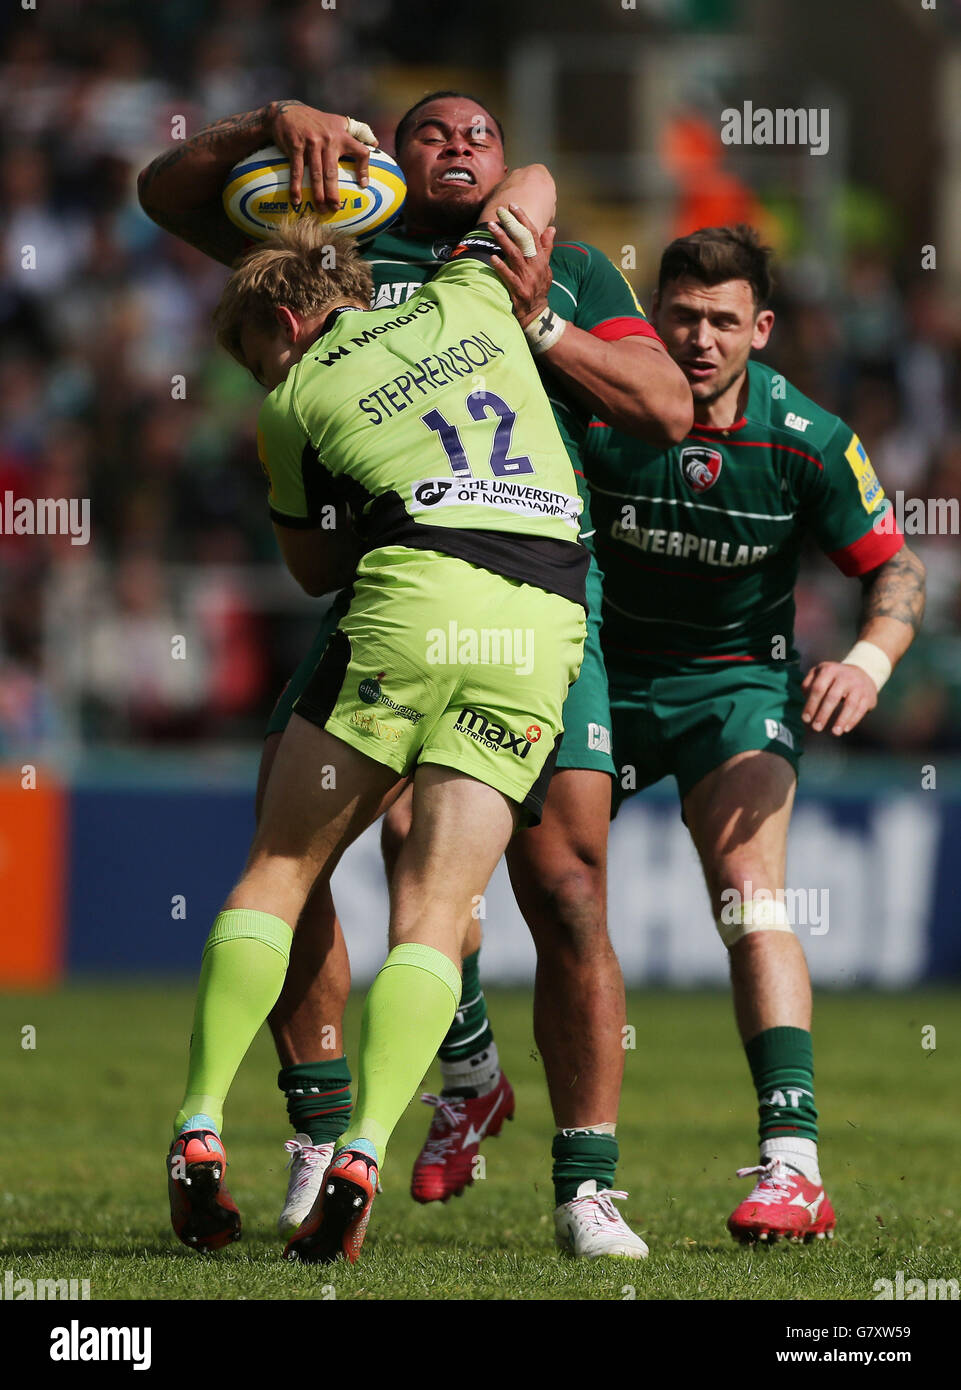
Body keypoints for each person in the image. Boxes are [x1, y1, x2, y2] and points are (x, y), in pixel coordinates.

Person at [138, 91, 691, 1259]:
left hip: (414, 590)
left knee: (324, 864)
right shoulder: (430, 266)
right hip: (536, 602)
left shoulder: (335, 360)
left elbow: (661, 407)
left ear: (276, 334)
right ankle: (347, 1143)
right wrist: (271, 122)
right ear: (385, 159)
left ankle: (207, 1118)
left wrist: (545, 330)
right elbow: (167, 190)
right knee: (427, 902)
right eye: (430, 131)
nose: (461, 147)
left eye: (476, 133)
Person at [584, 225, 926, 1242]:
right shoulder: (599, 410)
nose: (699, 339)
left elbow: (893, 569)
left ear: (760, 329)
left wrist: (867, 662)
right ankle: (474, 1085)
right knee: (500, 858)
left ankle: (792, 1164)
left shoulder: (808, 439)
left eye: (723, 322)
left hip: (734, 684)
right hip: (596, 674)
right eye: (681, 317)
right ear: (653, 317)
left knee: (747, 890)